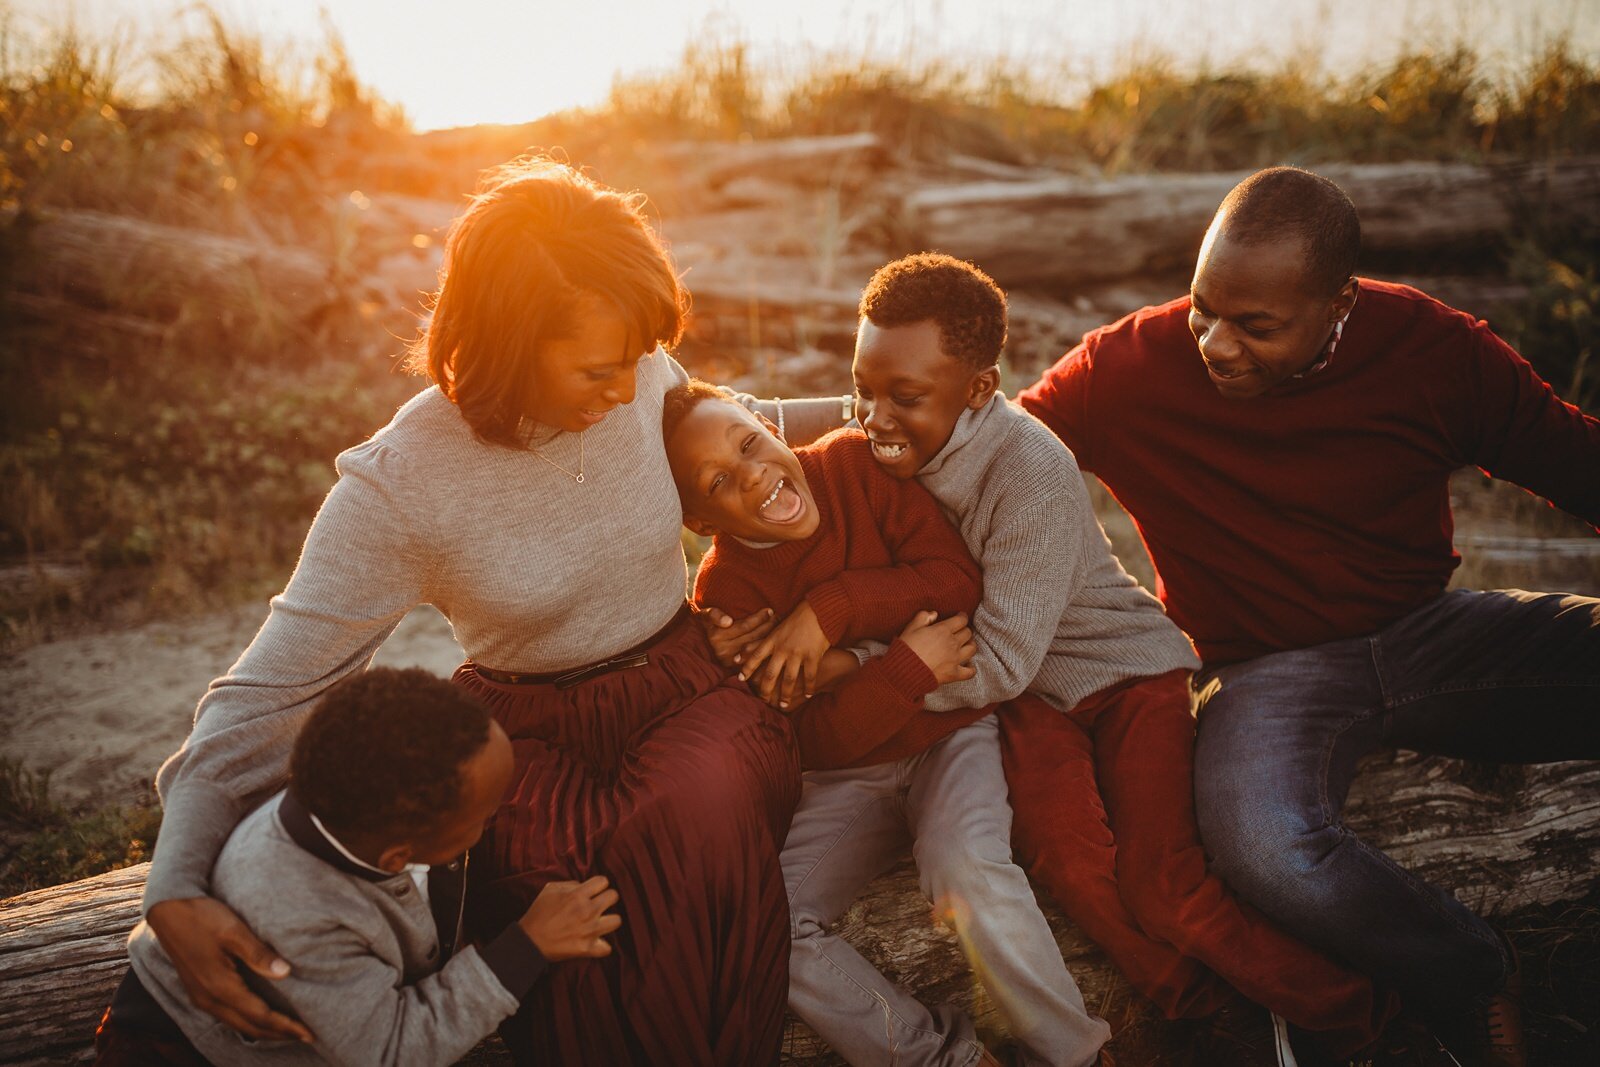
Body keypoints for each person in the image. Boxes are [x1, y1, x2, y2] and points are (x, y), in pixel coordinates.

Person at [137, 158, 841, 1066]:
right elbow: (264, 694)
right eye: (598, 370)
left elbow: (742, 419)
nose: (630, 391)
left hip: (687, 686)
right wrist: (172, 885)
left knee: (690, 807)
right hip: (528, 729)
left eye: (637, 361)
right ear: (508, 343)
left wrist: (908, 418)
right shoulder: (400, 487)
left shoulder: (638, 365)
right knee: (553, 866)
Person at [1018, 165, 1600, 1066]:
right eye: (1203, 306)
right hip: (1262, 672)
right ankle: (1468, 970)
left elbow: (1574, 462)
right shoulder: (1125, 369)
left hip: (1432, 635)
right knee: (1265, 842)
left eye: (1255, 326)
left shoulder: (1434, 349)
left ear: (1339, 303)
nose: (1215, 342)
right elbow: (991, 458)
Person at [846, 252, 1398, 1064]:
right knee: (1065, 856)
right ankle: (1210, 1010)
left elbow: (998, 658)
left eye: (902, 396)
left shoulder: (1025, 467)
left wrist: (871, 685)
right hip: (1032, 699)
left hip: (1123, 672)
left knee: (1162, 880)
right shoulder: (889, 425)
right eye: (863, 385)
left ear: (977, 389)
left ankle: (1355, 1013)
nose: (873, 416)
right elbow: (803, 415)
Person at [663, 381, 1111, 1067]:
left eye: (749, 442)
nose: (752, 473)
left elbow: (954, 581)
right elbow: (809, 737)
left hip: (951, 734)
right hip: (848, 776)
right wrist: (904, 666)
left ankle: (1076, 1053)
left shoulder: (853, 466)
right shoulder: (730, 594)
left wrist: (832, 607)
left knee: (965, 864)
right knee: (767, 924)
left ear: (764, 423)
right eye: (719, 481)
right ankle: (941, 1057)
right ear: (698, 519)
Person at [97, 667, 621, 1067]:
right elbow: (387, 1049)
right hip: (193, 1051)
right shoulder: (297, 913)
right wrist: (523, 949)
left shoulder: (355, 789)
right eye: (485, 818)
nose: (500, 815)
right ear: (397, 858)